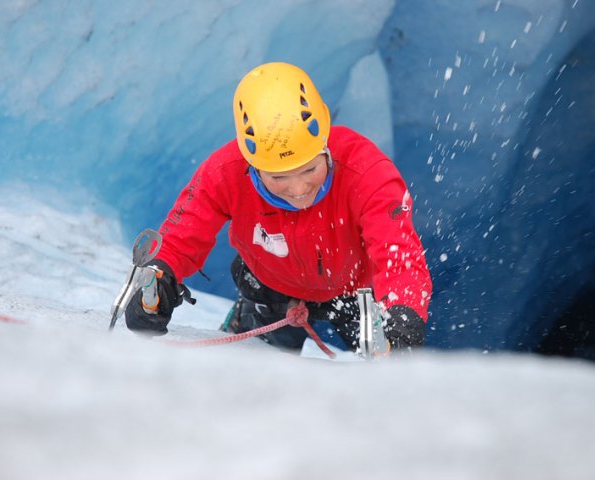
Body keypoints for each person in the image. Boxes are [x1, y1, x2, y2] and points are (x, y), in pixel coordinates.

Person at [125, 62, 432, 354]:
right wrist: (159, 277)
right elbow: (182, 235)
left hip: (356, 293)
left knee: (387, 383)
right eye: (278, 177)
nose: (298, 190)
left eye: (310, 169)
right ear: (253, 165)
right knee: (255, 388)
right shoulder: (227, 172)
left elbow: (398, 255)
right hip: (270, 289)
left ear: (324, 145)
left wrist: (403, 314)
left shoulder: (366, 172)